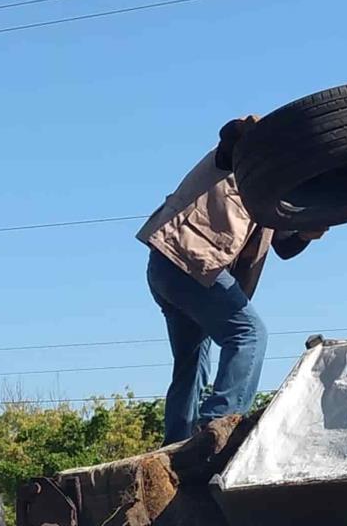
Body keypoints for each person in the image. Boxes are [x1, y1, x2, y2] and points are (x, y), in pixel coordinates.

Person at [137, 116, 326, 444]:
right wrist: (260, 128)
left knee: (191, 361)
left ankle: (175, 447)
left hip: (169, 269)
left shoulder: (274, 197)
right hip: (186, 257)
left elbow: (284, 246)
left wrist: (307, 234)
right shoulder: (238, 157)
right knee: (249, 333)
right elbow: (231, 135)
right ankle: (219, 429)